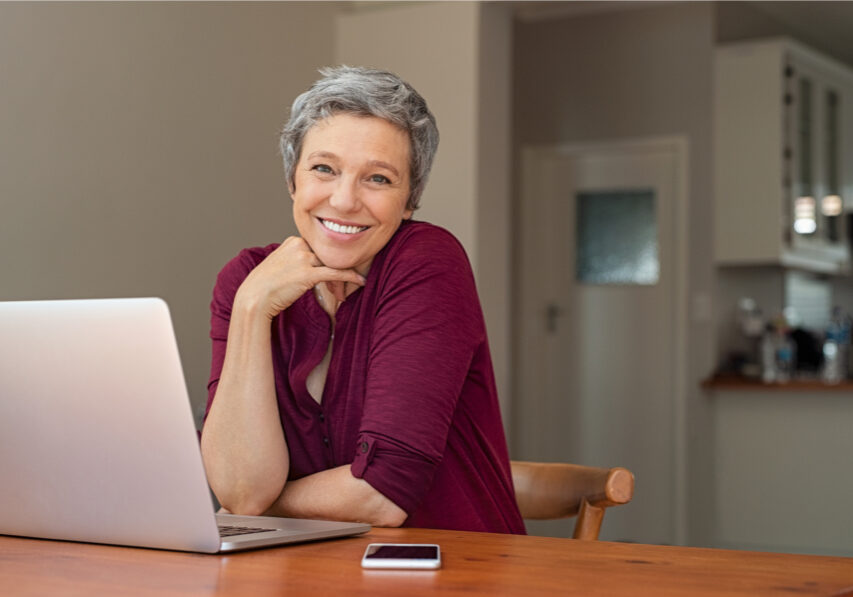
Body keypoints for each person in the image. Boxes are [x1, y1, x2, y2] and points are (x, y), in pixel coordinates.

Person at [201, 66, 524, 534]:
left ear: (409, 200)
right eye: (323, 169)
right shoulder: (247, 280)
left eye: (378, 179)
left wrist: (258, 512)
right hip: (308, 577)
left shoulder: (428, 262)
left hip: (459, 570)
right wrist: (252, 309)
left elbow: (382, 496)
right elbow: (241, 489)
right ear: (293, 180)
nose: (345, 200)